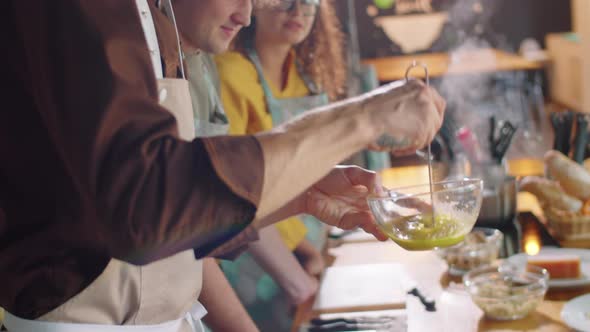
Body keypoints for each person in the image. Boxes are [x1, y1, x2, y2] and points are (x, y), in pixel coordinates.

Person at [0, 1, 446, 332]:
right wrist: (361, 117)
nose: (248, 15)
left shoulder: (164, 32)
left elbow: (171, 227)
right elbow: (147, 208)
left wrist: (300, 197)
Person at [214, 0, 347, 329]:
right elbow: (237, 188)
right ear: (256, 7)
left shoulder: (308, 78)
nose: (298, 12)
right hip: (255, 260)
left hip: (312, 248)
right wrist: (303, 250)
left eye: (309, 3)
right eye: (286, 2)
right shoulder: (231, 72)